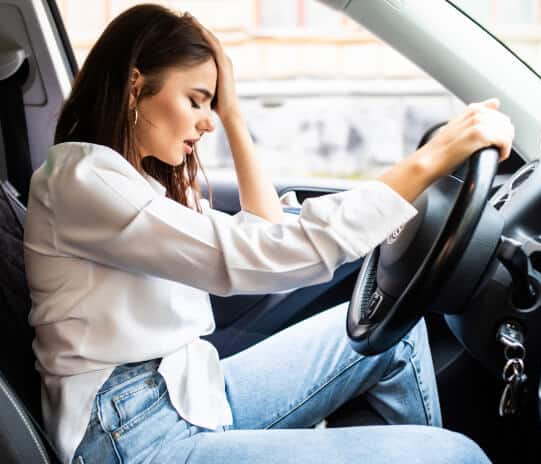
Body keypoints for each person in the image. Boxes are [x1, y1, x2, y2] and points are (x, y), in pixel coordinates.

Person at [23, 4, 513, 464]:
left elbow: (267, 233)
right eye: (196, 100)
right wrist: (432, 159)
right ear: (135, 86)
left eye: (212, 105)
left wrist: (234, 114)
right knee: (455, 456)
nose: (206, 121)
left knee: (395, 340)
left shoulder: (133, 184)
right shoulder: (82, 179)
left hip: (190, 391)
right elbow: (259, 255)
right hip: (131, 436)